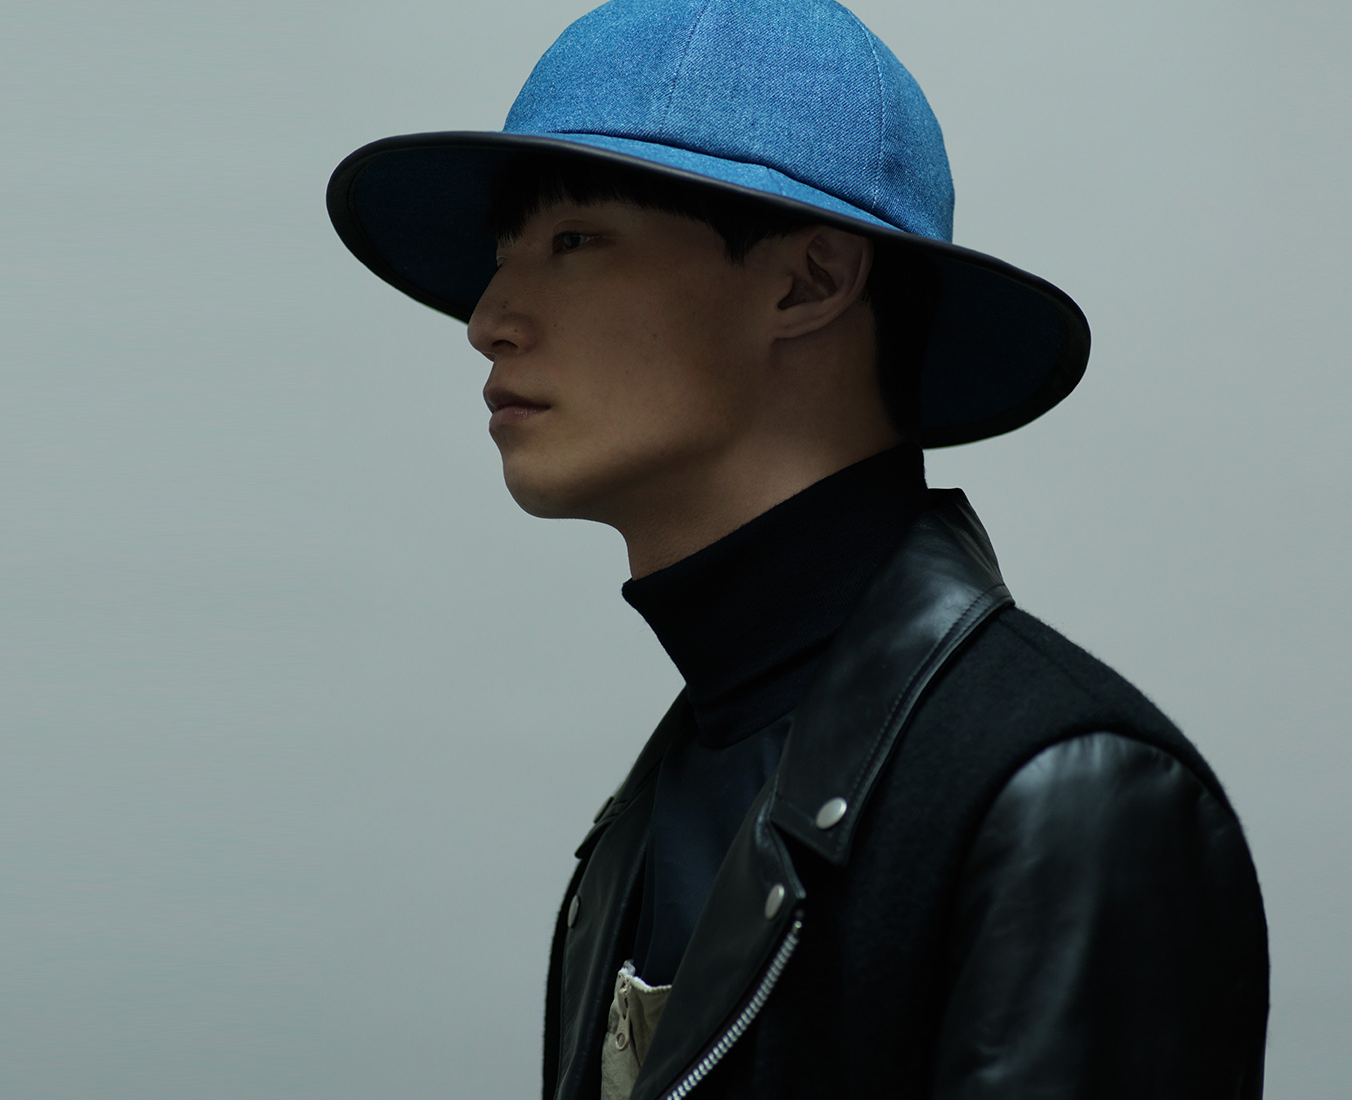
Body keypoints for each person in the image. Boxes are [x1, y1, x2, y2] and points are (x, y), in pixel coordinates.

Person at [324, 2, 1270, 1098]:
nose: (487, 318)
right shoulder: (666, 797)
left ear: (808, 281)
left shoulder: (1066, 799)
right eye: (503, 255)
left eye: (572, 240)